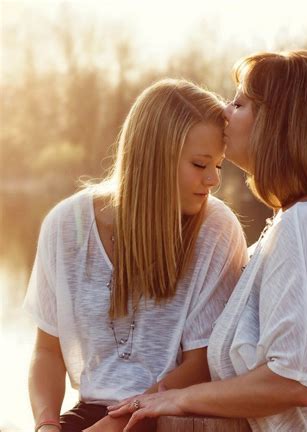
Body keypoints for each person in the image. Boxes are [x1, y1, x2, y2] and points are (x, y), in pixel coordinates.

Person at [108, 51, 307, 431]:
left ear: (279, 124)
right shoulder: (302, 221)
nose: (224, 111)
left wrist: (171, 400)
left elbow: (293, 380)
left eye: (239, 103)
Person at [24, 79, 248, 432]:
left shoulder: (217, 229)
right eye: (200, 164)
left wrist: (122, 421)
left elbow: (203, 364)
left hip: (176, 414)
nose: (213, 181)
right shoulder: (65, 225)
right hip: (93, 413)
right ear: (154, 158)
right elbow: (47, 352)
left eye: (218, 166)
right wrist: (47, 424)